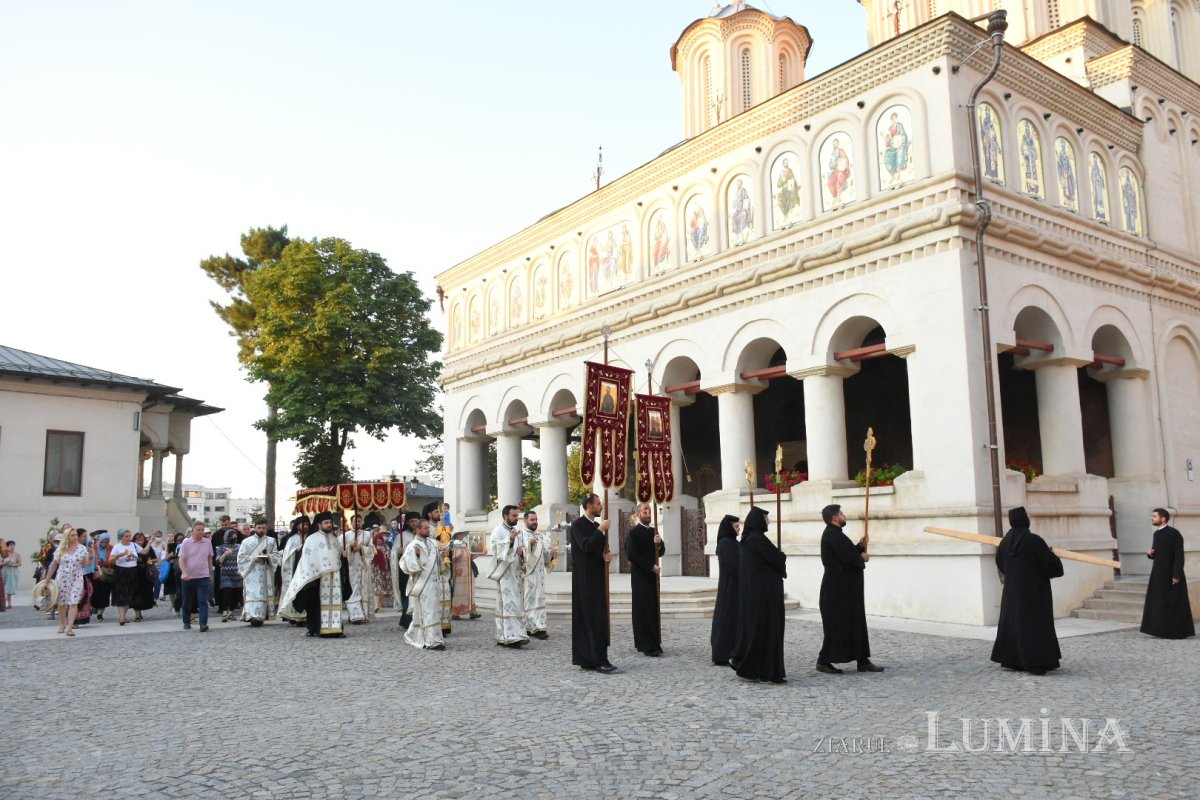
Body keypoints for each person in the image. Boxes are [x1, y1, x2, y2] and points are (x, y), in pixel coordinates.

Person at [990, 506, 1064, 675]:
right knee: (1035, 626)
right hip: (1034, 593)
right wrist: (1052, 555)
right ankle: (1037, 661)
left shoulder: (1004, 542)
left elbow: (1000, 564)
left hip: (1012, 593)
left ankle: (1014, 660)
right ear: (1025, 520)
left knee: (1014, 624)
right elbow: (1050, 566)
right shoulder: (1034, 541)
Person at [816, 504, 883, 674]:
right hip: (837, 591)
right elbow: (847, 558)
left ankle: (862, 660)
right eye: (841, 513)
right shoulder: (832, 534)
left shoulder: (837, 534)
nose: (844, 515)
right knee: (837, 626)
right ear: (834, 518)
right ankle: (823, 661)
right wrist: (861, 556)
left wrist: (859, 546)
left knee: (855, 623)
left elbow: (846, 553)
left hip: (846, 589)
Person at [731, 507, 787, 684]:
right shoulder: (757, 539)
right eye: (766, 519)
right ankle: (767, 671)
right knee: (767, 632)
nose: (769, 522)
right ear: (758, 521)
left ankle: (759, 669)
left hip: (758, 594)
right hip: (765, 597)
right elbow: (776, 559)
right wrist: (781, 556)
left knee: (760, 632)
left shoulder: (749, 539)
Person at [570, 493, 616, 673]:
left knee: (598, 619)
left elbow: (597, 551)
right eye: (598, 504)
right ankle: (592, 659)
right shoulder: (578, 526)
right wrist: (600, 531)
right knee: (589, 620)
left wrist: (606, 557)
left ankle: (598, 657)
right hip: (584, 580)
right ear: (589, 506)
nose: (601, 507)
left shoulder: (597, 526)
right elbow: (586, 547)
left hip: (597, 578)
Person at [280, 511, 344, 638]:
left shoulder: (334, 539)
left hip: (334, 578)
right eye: (326, 523)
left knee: (335, 603)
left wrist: (345, 555)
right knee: (314, 605)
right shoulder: (311, 539)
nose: (329, 525)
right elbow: (307, 560)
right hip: (317, 578)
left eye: (330, 523)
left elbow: (339, 557)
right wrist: (316, 574)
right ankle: (316, 629)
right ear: (319, 525)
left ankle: (336, 629)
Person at [1140, 507, 1195, 639]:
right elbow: (1158, 554)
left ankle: (1177, 632)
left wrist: (1176, 575)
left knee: (1175, 603)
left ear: (1163, 518)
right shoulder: (1157, 534)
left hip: (1172, 574)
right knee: (1158, 602)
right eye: (1152, 516)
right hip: (1158, 574)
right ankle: (1160, 630)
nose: (1152, 518)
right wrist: (1150, 554)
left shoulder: (1174, 533)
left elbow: (1179, 556)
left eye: (1154, 516)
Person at [625, 502, 665, 657]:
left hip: (652, 578)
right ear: (638, 514)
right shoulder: (633, 533)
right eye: (645, 511)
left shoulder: (653, 532)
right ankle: (645, 644)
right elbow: (632, 555)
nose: (648, 513)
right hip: (640, 577)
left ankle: (655, 642)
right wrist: (650, 567)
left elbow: (660, 552)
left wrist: (659, 544)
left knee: (653, 609)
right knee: (643, 609)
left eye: (649, 510)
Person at [399, 519, 446, 650]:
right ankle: (431, 641)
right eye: (425, 528)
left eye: (428, 528)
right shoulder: (412, 545)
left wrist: (444, 556)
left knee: (433, 611)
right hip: (423, 585)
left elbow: (438, 564)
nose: (428, 530)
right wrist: (417, 555)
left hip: (434, 584)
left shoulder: (433, 543)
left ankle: (427, 636)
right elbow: (406, 565)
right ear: (418, 530)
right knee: (426, 612)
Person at [488, 504, 529, 648]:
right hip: (504, 573)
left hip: (516, 573)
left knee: (517, 604)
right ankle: (507, 636)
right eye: (514, 516)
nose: (516, 518)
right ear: (506, 516)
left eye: (517, 516)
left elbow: (522, 549)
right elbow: (494, 550)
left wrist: (522, 553)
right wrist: (510, 541)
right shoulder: (497, 532)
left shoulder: (517, 532)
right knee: (507, 604)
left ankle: (517, 633)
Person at [44, 526, 91, 635]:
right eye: (72, 535)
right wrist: (47, 580)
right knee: (62, 603)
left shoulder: (82, 548)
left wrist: (88, 557)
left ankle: (69, 627)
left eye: (75, 535)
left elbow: (86, 564)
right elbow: (53, 565)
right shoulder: (60, 549)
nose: (75, 537)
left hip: (76, 578)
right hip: (62, 578)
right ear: (67, 537)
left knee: (73, 602)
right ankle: (62, 624)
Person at [709, 514, 741, 666]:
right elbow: (735, 565)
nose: (739, 529)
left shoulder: (732, 542)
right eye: (736, 527)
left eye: (739, 526)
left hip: (734, 586)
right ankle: (723, 652)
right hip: (730, 587)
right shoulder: (726, 543)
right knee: (727, 619)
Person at [237, 521, 280, 626]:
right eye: (259, 527)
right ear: (255, 528)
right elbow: (241, 557)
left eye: (263, 528)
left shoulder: (271, 541)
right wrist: (254, 558)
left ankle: (259, 616)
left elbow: (276, 555)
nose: (261, 530)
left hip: (265, 572)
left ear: (266, 528)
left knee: (262, 593)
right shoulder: (246, 542)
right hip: (251, 571)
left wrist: (269, 557)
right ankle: (251, 616)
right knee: (252, 593)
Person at [521, 510, 554, 640]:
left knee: (539, 600)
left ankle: (540, 626)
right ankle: (532, 627)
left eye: (536, 519)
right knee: (530, 600)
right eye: (532, 520)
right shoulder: (521, 535)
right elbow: (518, 554)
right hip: (528, 574)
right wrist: (529, 545)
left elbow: (544, 556)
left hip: (539, 575)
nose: (535, 522)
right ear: (525, 521)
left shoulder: (540, 535)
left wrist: (551, 555)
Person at [176, 521, 213, 632]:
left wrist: (209, 573)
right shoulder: (186, 543)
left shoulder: (207, 542)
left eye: (203, 530)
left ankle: (203, 624)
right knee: (187, 600)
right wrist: (184, 572)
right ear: (193, 531)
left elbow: (209, 558)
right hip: (189, 577)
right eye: (199, 530)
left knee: (202, 601)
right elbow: (181, 559)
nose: (201, 532)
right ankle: (186, 621)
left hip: (202, 576)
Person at [340, 514, 372, 624]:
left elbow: (372, 550)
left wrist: (362, 548)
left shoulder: (367, 535)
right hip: (351, 567)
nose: (357, 523)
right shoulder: (345, 536)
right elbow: (341, 551)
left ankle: (364, 613)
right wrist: (351, 548)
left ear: (362, 522)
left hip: (364, 566)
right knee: (353, 589)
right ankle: (354, 615)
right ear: (351, 523)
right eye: (355, 521)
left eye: (359, 521)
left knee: (363, 588)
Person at [107, 529, 141, 625]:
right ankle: (121, 617)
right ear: (121, 537)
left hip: (132, 571)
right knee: (121, 594)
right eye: (126, 536)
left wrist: (150, 542)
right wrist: (119, 555)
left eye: (129, 536)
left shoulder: (133, 545)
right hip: (121, 571)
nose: (128, 538)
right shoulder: (117, 547)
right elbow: (110, 561)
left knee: (129, 594)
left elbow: (143, 552)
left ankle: (124, 616)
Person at [279, 516, 308, 625]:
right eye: (302, 524)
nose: (304, 526)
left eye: (306, 524)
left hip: (307, 570)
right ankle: (293, 616)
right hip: (295, 569)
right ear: (297, 526)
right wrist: (298, 549)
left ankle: (304, 616)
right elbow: (287, 555)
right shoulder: (292, 539)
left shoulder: (311, 537)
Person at [390, 514, 416, 623]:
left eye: (416, 521)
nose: (414, 524)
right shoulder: (402, 536)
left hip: (418, 570)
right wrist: (398, 552)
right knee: (406, 594)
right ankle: (407, 618)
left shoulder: (422, 535)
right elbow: (393, 553)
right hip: (405, 571)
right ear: (407, 523)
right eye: (411, 521)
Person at [214, 530, 243, 622]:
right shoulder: (221, 548)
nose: (234, 537)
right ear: (226, 537)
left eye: (235, 535)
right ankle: (224, 613)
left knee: (235, 594)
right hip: (226, 574)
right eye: (231, 536)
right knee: (226, 592)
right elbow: (218, 562)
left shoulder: (239, 547)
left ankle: (230, 613)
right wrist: (226, 554)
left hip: (237, 574)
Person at [90, 533, 112, 622]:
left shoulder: (111, 548)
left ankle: (100, 614)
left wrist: (107, 562)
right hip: (95, 574)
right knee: (94, 593)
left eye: (106, 542)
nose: (105, 544)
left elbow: (113, 559)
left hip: (106, 574)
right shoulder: (93, 548)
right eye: (103, 542)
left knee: (104, 594)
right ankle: (94, 607)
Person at [371, 526, 392, 614]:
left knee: (382, 587)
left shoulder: (387, 545)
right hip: (376, 569)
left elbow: (389, 555)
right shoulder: (373, 544)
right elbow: (370, 555)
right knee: (377, 586)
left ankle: (380, 605)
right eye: (382, 534)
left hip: (385, 569)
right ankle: (376, 605)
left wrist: (383, 552)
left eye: (385, 534)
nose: (383, 536)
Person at [2, 539, 22, 609]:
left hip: (13, 572)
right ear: (7, 546)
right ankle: (3, 602)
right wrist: (5, 563)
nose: (12, 546)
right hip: (4, 571)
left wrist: (12, 565)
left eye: (13, 545)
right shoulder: (4, 554)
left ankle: (9, 603)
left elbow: (20, 563)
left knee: (9, 588)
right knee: (3, 587)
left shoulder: (17, 554)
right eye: (10, 545)